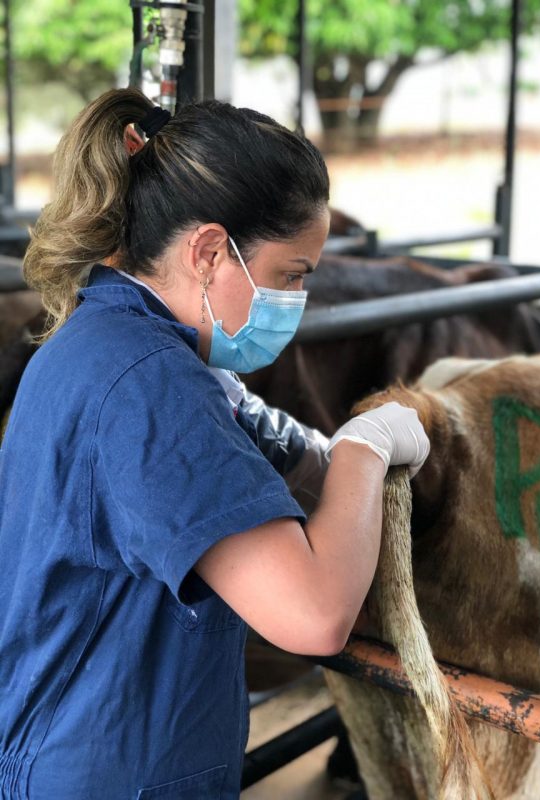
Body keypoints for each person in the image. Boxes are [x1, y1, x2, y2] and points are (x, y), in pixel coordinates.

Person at [0, 88, 429, 800]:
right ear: (208, 251)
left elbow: (260, 453)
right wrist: (367, 441)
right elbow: (316, 614)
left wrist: (311, 450)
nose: (295, 301)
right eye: (290, 276)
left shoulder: (100, 338)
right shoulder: (152, 386)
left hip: (71, 749)